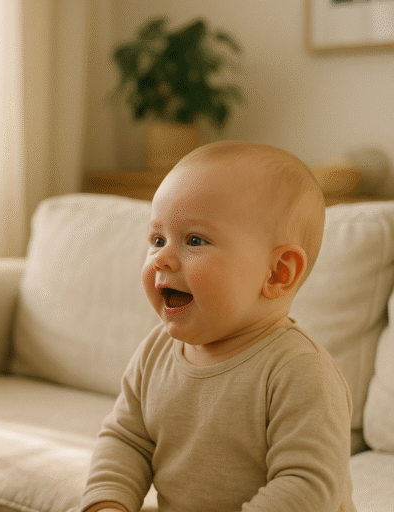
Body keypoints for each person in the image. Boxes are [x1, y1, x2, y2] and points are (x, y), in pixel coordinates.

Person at [80, 141, 357, 512]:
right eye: (157, 239)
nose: (162, 257)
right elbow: (127, 440)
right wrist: (108, 503)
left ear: (277, 273)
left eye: (195, 240)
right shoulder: (155, 351)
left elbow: (305, 487)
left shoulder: (300, 371)